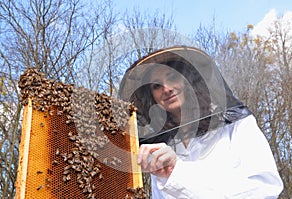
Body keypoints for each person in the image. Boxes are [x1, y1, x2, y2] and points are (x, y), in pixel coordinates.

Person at [119, 46, 283, 198]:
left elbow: (265, 189)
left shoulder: (236, 124)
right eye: (156, 85)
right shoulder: (162, 148)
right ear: (151, 97)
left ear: (188, 80)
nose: (166, 88)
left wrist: (177, 172)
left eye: (172, 77)